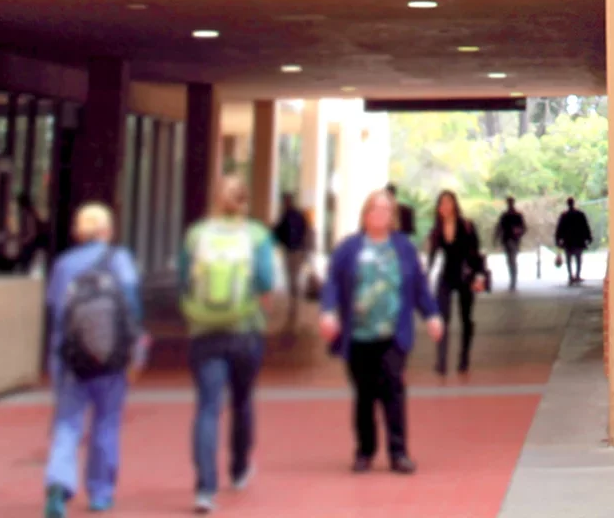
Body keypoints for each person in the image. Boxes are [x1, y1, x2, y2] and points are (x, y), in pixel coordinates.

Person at [320, 189, 443, 475]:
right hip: (359, 336)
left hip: (392, 335)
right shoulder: (349, 248)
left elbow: (419, 287)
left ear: (392, 217)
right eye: (374, 208)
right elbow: (333, 284)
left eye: (386, 209)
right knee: (363, 395)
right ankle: (364, 451)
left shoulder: (403, 248)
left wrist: (432, 315)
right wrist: (328, 312)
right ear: (365, 214)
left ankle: (398, 452)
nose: (380, 213)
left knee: (393, 390)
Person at [43, 203, 147, 516]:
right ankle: (100, 493)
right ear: (107, 230)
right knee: (106, 422)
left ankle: (59, 483)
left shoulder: (64, 265)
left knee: (68, 423)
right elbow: (133, 308)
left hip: (72, 358)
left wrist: (55, 360)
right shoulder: (121, 260)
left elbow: (57, 315)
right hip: (112, 358)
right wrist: (136, 351)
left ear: (78, 232)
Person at [179, 175, 275, 514]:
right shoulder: (257, 235)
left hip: (204, 333)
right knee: (243, 400)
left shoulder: (196, 235)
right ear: (245, 201)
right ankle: (238, 469)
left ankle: (205, 488)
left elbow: (182, 281)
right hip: (245, 331)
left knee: (207, 407)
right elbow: (266, 280)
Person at [427, 190, 487, 376]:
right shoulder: (436, 230)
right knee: (442, 318)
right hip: (446, 276)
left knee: (466, 319)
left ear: (454, 204)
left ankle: (464, 358)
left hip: (465, 276)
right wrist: (424, 279)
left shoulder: (467, 226)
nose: (445, 206)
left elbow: (477, 254)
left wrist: (479, 277)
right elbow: (432, 258)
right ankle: (442, 361)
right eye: (441, 203)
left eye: (448, 202)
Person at [271, 192, 311, 331]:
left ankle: (294, 303)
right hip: (296, 250)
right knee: (293, 276)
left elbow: (278, 232)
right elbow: (306, 232)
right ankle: (294, 303)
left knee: (291, 277)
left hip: (292, 251)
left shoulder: (287, 216)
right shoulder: (297, 215)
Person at [554, 197, 593, 285]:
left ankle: (570, 275)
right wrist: (588, 238)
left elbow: (559, 228)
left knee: (568, 258)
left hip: (568, 240)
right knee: (578, 258)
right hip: (578, 239)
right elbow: (585, 227)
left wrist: (558, 240)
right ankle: (577, 275)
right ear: (573, 203)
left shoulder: (564, 215)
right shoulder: (580, 214)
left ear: (567, 204)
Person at [494, 197, 527, 291]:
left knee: (511, 260)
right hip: (510, 239)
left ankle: (513, 279)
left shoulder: (512, 215)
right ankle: (513, 279)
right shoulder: (508, 215)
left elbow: (523, 228)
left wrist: (518, 232)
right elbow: (500, 227)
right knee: (511, 260)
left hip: (512, 240)